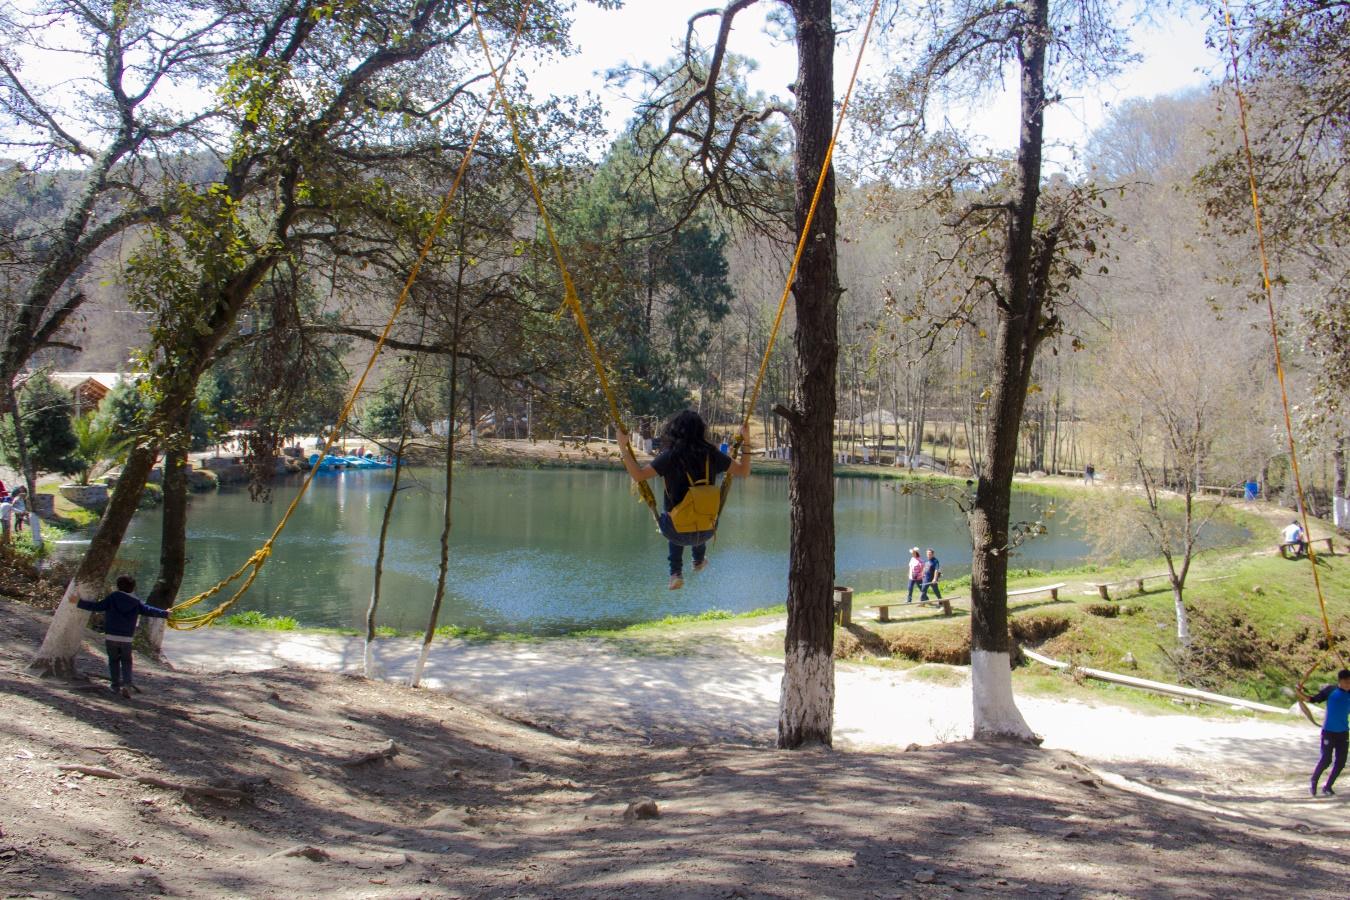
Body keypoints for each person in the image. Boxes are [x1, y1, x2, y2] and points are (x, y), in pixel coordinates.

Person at [618, 411, 751, 591]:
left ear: (674, 431)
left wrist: (623, 447)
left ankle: (675, 573)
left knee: (675, 515)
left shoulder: (670, 456)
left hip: (675, 532)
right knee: (700, 509)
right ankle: (698, 560)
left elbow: (638, 475)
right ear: (700, 431)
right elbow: (744, 471)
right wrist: (747, 441)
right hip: (706, 531)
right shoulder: (712, 454)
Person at [74, 574, 169, 698]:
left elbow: (97, 607)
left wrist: (78, 602)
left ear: (117, 586)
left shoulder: (113, 598)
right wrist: (165, 613)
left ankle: (115, 686)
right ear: (133, 588)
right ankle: (127, 685)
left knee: (113, 661)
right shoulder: (135, 602)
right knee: (126, 661)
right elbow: (148, 610)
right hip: (126, 639)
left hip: (111, 637)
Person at [1299, 669, 1350, 797]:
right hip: (1329, 732)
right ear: (1340, 681)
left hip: (1343, 733)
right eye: (1346, 682)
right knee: (1326, 759)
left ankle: (1328, 786)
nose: (1348, 684)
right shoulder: (1330, 690)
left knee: (1341, 762)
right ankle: (1314, 781)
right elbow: (1313, 699)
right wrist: (1299, 693)